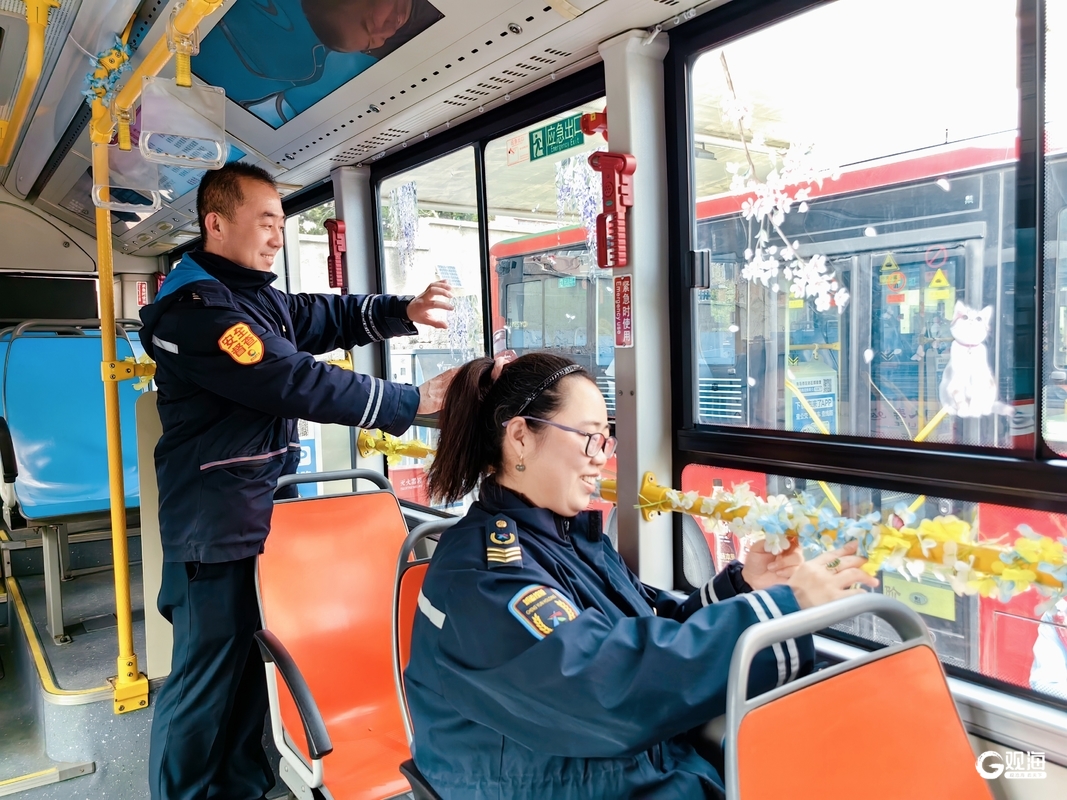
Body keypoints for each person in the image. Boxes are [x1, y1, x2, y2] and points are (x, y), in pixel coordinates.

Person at [404, 352, 879, 799]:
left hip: (583, 763)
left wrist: (746, 588)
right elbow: (603, 686)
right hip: (534, 780)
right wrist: (786, 605)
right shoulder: (485, 576)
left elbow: (644, 624)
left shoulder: (565, 539)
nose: (600, 455)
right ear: (522, 437)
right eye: (589, 436)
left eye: (606, 438)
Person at [139, 161, 456, 800]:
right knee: (207, 682)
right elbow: (291, 379)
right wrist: (409, 403)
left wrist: (403, 311)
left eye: (282, 222)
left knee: (252, 677)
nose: (277, 234)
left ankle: (244, 788)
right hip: (216, 527)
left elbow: (320, 315)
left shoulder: (254, 295)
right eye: (265, 221)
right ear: (216, 223)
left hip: (256, 518)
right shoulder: (197, 308)